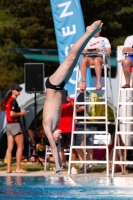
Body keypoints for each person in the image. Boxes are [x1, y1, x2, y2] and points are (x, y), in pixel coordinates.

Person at [42, 20, 103, 174]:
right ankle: (88, 37)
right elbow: (56, 146)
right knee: (75, 59)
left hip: (52, 85)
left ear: (51, 138)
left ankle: (88, 32)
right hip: (59, 86)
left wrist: (57, 167)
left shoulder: (48, 128)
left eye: (57, 138)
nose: (59, 135)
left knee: (70, 57)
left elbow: (54, 149)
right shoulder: (55, 127)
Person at [0, 84, 28, 173]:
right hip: (15, 125)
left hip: (8, 125)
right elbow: (12, 114)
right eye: (17, 90)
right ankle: (18, 168)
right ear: (12, 90)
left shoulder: (8, 101)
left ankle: (9, 168)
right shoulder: (13, 101)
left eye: (20, 90)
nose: (19, 91)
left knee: (10, 147)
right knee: (20, 146)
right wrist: (21, 113)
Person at [75, 82, 97, 174]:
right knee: (88, 146)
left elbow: (82, 108)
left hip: (83, 124)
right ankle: (89, 165)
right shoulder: (89, 95)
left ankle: (84, 164)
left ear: (79, 87)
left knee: (77, 145)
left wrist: (73, 108)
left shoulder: (81, 95)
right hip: (92, 124)